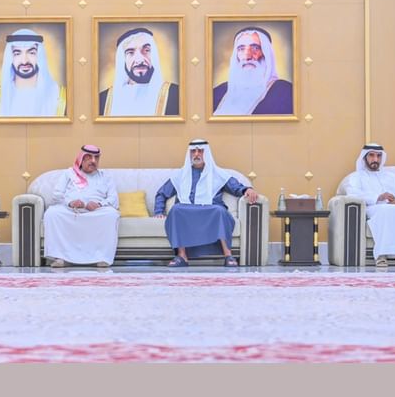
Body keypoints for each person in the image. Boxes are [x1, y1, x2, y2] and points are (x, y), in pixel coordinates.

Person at [154, 139, 258, 267]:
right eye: (193, 151)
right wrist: (159, 211)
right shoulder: (181, 175)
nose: (196, 154)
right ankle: (182, 256)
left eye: (200, 151)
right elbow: (162, 193)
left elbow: (235, 187)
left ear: (206, 153)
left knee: (219, 211)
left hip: (210, 210)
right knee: (176, 210)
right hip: (187, 211)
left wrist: (247, 190)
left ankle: (228, 255)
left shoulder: (218, 174)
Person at [343, 144, 395, 267]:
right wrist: (378, 197)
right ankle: (381, 256)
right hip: (372, 208)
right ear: (364, 157)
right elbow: (353, 194)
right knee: (385, 210)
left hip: (393, 207)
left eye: (378, 156)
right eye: (372, 155)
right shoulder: (357, 177)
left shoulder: (391, 177)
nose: (375, 159)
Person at [43, 145, 120, 267]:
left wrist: (99, 204)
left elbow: (113, 199)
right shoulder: (69, 174)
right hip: (72, 210)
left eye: (96, 158)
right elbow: (57, 195)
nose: (93, 161)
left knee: (111, 214)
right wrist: (70, 202)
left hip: (96, 212)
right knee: (52, 214)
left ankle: (101, 257)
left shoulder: (105, 176)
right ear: (81, 159)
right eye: (89, 157)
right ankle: (61, 258)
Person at [212, 26, 293, 115]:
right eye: (241, 49)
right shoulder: (218, 92)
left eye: (255, 48)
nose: (247, 56)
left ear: (266, 54)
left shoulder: (286, 91)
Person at [98, 27, 179, 116]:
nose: (139, 60)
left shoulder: (176, 95)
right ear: (123, 60)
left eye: (146, 50)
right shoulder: (103, 100)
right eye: (130, 52)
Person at [0, 28, 67, 117]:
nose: (24, 61)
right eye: (17, 53)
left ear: (40, 56)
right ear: (10, 58)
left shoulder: (62, 98)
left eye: (31, 53)